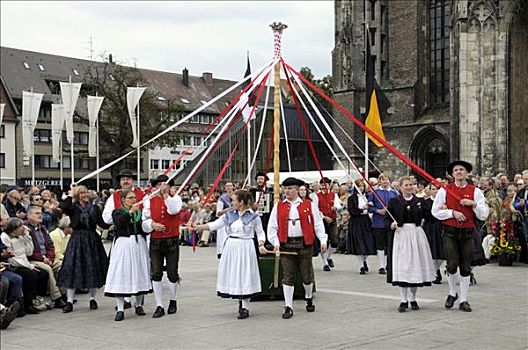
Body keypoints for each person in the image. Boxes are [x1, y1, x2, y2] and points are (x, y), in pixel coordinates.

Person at [194, 190, 265, 319]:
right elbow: (215, 225)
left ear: (241, 202)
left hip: (246, 247)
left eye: (234, 200)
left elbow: (260, 233)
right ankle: (239, 299)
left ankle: (245, 307)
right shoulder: (229, 215)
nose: (232, 202)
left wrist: (261, 244)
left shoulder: (254, 217)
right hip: (232, 247)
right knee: (235, 274)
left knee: (245, 275)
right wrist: (198, 227)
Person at [432, 161, 490, 312]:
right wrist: (452, 213)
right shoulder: (445, 190)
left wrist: (474, 205)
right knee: (451, 264)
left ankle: (464, 299)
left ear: (466, 173)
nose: (459, 172)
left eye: (461, 170)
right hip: (450, 231)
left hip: (468, 232)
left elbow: (484, 214)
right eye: (456, 170)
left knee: (465, 266)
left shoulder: (475, 191)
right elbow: (435, 211)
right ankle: (452, 293)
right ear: (452, 174)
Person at [267, 177, 327, 319]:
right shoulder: (279, 206)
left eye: (290, 188)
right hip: (286, 244)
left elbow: (317, 224)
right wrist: (275, 242)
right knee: (288, 276)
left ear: (297, 190)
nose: (286, 191)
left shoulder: (309, 204)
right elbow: (272, 227)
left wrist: (323, 239)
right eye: (285, 188)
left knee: (306, 275)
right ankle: (288, 306)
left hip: (305, 243)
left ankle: (308, 296)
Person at [385, 176, 435, 312]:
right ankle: (403, 299)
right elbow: (387, 218)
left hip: (416, 234)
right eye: (406, 185)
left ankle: (413, 298)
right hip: (401, 235)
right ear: (400, 187)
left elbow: (430, 215)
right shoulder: (394, 202)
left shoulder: (419, 201)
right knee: (403, 266)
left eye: (411, 185)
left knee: (415, 265)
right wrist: (391, 224)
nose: (409, 187)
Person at [58, 185, 109, 313]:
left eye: (86, 192)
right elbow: (63, 206)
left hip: (92, 239)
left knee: (92, 268)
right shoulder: (73, 207)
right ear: (77, 195)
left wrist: (114, 217)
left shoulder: (94, 208)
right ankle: (69, 301)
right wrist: (70, 192)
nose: (85, 195)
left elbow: (102, 223)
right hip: (77, 239)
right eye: (82, 193)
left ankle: (92, 299)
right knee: (73, 268)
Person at [105, 189, 151, 321]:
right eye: (130, 198)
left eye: (134, 197)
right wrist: (130, 212)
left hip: (138, 245)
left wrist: (149, 226)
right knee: (122, 273)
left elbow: (143, 229)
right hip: (124, 244)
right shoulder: (118, 212)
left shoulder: (139, 213)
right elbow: (120, 223)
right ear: (123, 199)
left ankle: (139, 304)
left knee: (139, 271)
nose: (133, 200)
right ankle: (120, 308)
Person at [141, 175, 183, 318]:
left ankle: (173, 299)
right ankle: (159, 305)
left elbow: (173, 210)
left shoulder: (175, 198)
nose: (161, 187)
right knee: (156, 272)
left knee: (172, 273)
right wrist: (152, 225)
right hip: (156, 240)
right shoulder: (149, 200)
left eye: (164, 184)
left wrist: (166, 195)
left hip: (172, 239)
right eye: (159, 185)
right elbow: (144, 220)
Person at [1, 218, 47, 314]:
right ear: (14, 229)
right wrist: (28, 266)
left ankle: (33, 299)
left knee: (43, 273)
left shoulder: (21, 236)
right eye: (21, 226)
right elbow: (11, 258)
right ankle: (26, 304)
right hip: (14, 265)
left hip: (25, 263)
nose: (24, 228)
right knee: (31, 275)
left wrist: (27, 237)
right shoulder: (5, 237)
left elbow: (29, 252)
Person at [26, 205, 66, 309]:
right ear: (29, 215)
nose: (40, 215)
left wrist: (50, 258)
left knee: (62, 265)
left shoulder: (42, 228)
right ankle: (57, 298)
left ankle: (65, 294)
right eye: (37, 213)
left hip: (47, 257)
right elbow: (29, 250)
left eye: (41, 213)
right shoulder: (26, 229)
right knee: (48, 269)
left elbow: (50, 245)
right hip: (33, 259)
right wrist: (42, 259)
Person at [368, 173, 399, 274]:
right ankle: (381, 265)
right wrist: (378, 211)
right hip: (379, 222)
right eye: (383, 179)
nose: (385, 181)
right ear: (379, 181)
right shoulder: (374, 193)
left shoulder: (395, 193)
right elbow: (369, 206)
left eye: (387, 179)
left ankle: (389, 264)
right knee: (380, 244)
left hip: (391, 222)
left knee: (391, 243)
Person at [348, 179, 376, 274]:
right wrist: (362, 209)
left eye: (362, 186)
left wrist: (371, 206)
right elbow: (352, 211)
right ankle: (361, 266)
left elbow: (373, 207)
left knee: (368, 242)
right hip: (356, 221)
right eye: (359, 186)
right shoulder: (351, 198)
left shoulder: (367, 196)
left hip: (366, 221)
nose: (361, 188)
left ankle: (364, 260)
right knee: (359, 244)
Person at [314, 177, 341, 271]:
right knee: (324, 241)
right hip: (322, 221)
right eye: (322, 184)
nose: (324, 186)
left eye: (326, 184)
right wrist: (324, 217)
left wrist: (336, 207)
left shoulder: (334, 195)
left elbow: (338, 205)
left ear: (329, 185)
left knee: (335, 241)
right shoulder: (317, 196)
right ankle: (325, 262)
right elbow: (316, 209)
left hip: (333, 220)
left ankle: (329, 257)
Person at [422, 183, 446, 284]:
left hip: (442, 227)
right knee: (432, 252)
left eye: (437, 189)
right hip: (430, 228)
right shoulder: (426, 202)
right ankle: (435, 272)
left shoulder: (445, 202)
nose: (435, 191)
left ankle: (435, 269)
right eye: (433, 189)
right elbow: (426, 214)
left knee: (442, 253)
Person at [216, 182, 235, 258]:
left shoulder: (237, 197)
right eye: (227, 186)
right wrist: (228, 209)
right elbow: (218, 213)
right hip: (225, 221)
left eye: (230, 186)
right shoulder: (222, 199)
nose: (229, 187)